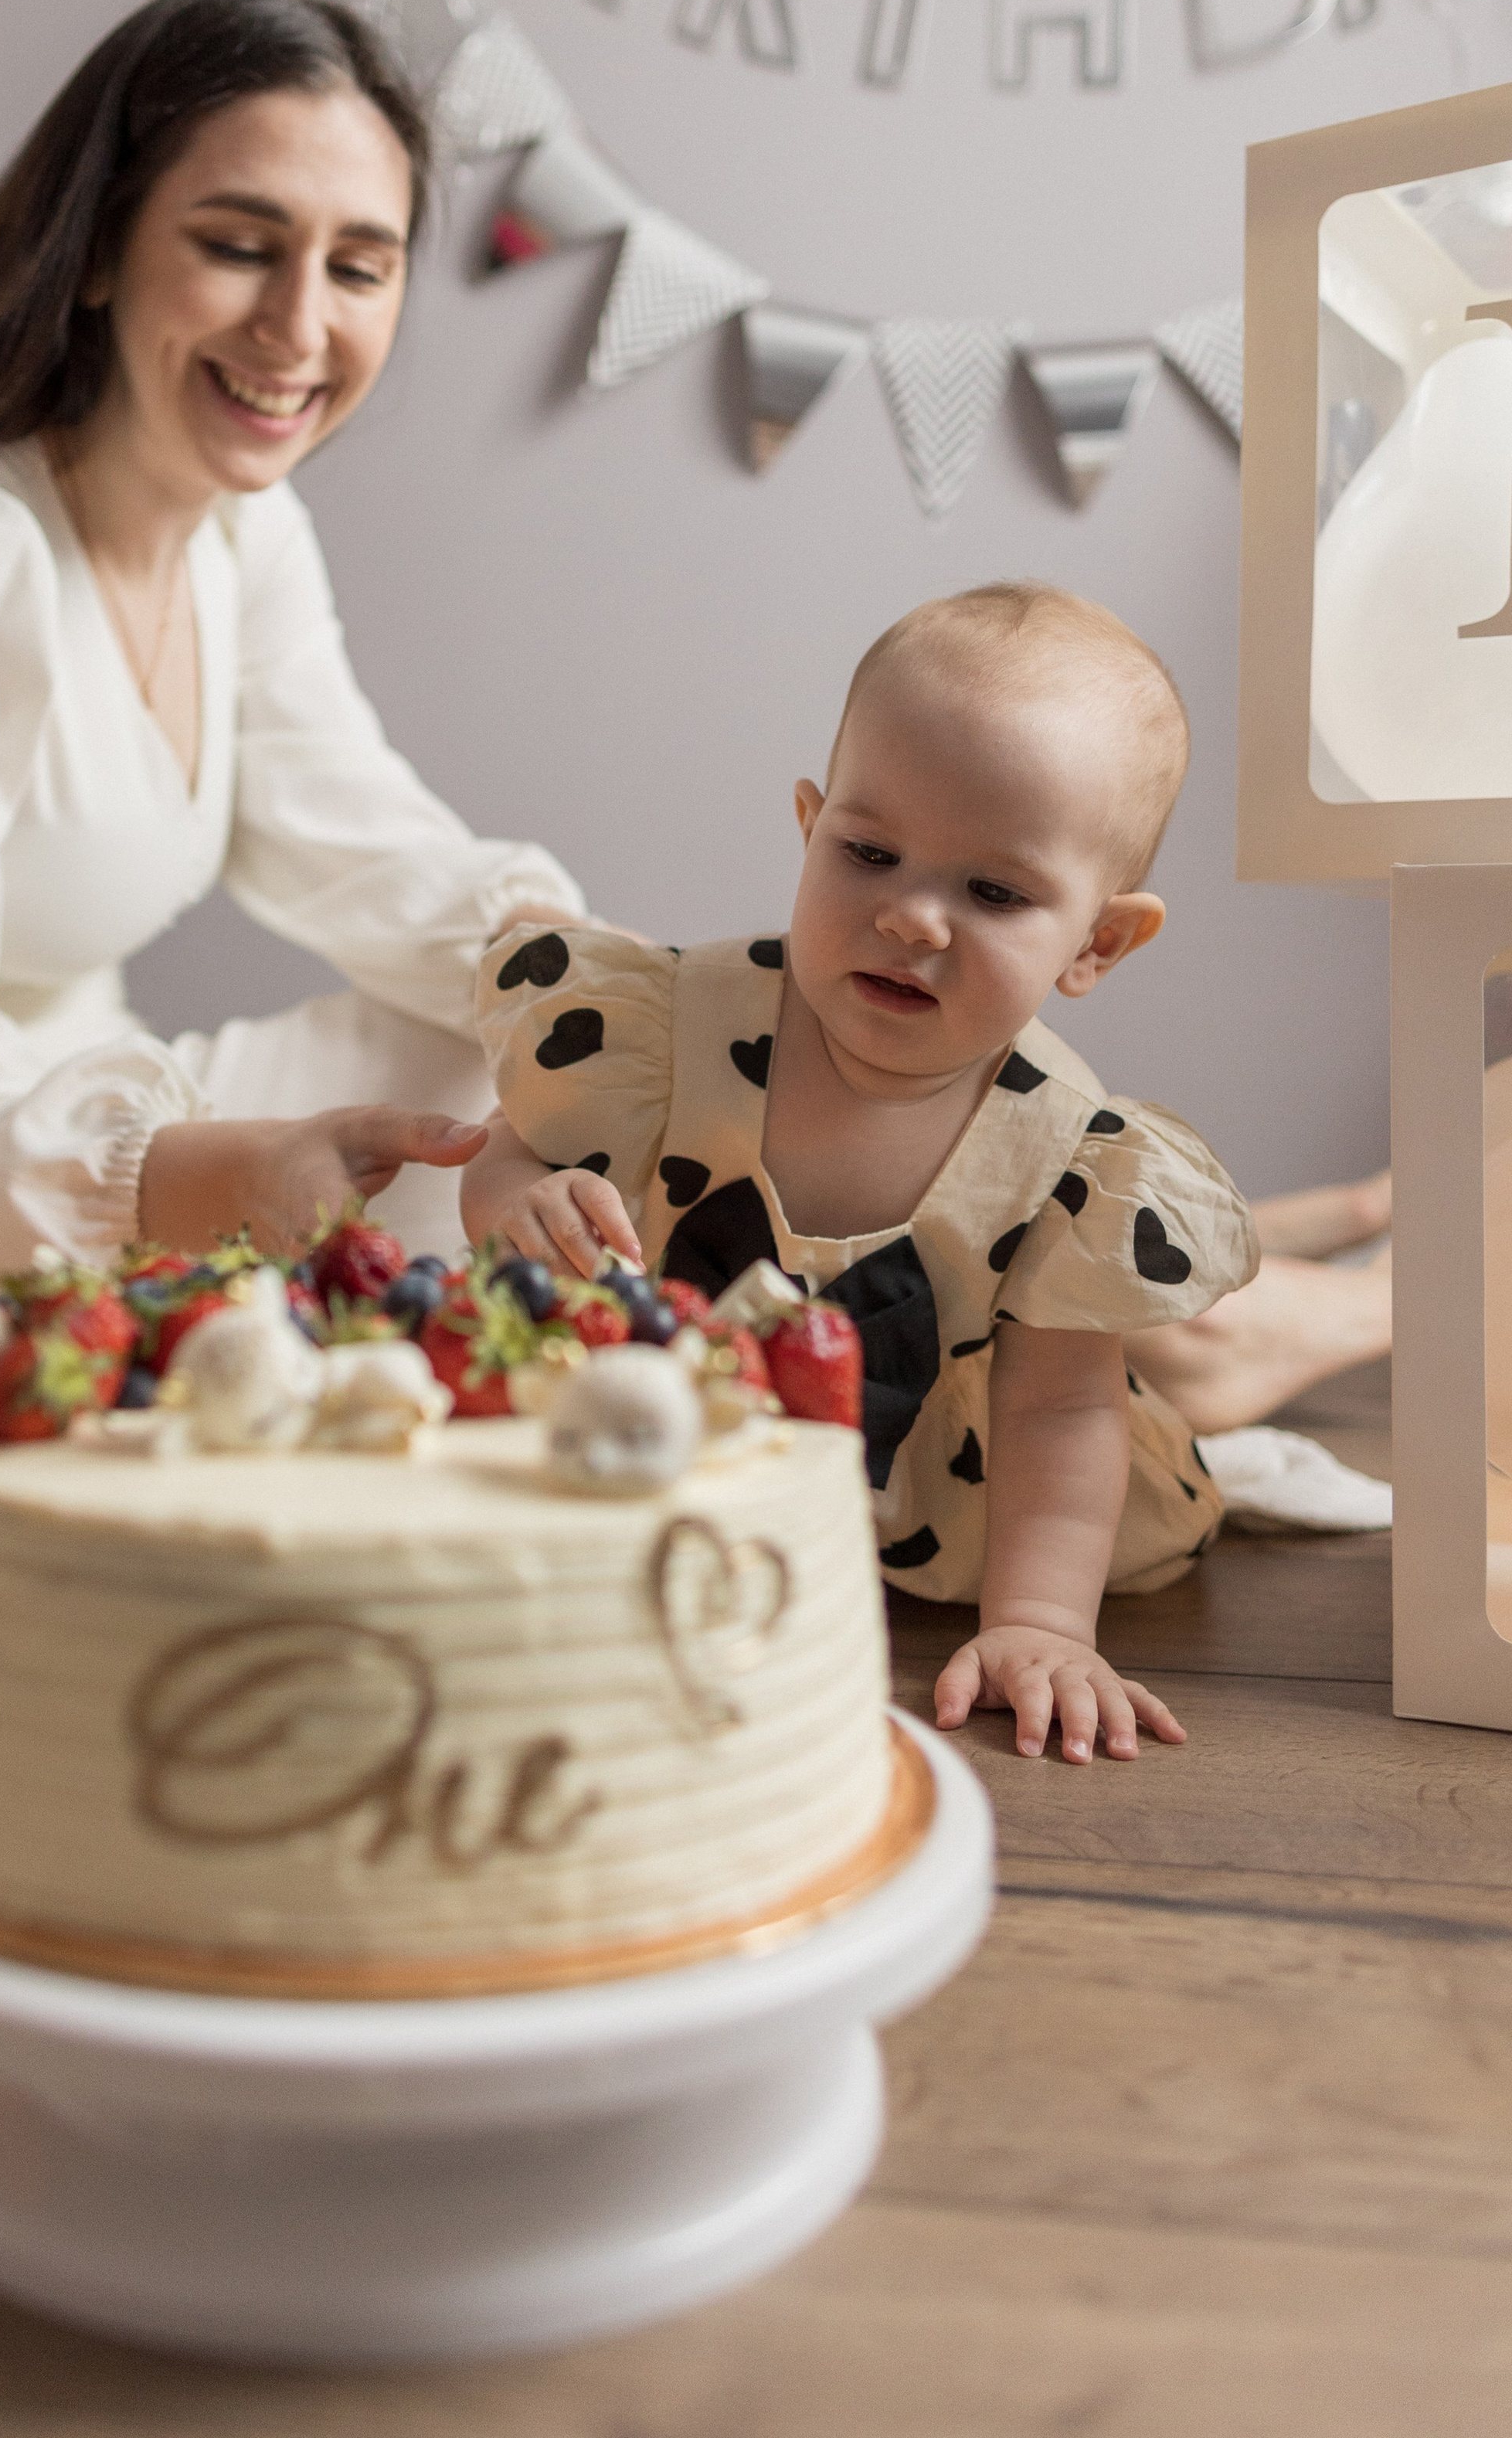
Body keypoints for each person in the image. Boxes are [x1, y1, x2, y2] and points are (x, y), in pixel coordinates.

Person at [0, 0, 586, 1471]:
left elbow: (375, 857)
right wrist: (199, 1172)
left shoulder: (250, 539)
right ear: (97, 249)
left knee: (493, 1055)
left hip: (93, 1129)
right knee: (340, 1292)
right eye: (236, 248)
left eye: (358, 267)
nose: (298, 326)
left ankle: (264, 1354)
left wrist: (604, 1011)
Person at [467, 583, 1262, 1767]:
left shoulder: (1070, 1155)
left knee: (1142, 1418)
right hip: (649, 1448)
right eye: (869, 851)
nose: (910, 916)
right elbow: (514, 1142)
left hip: (941, 1508)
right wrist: (512, 1197)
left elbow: (1057, 1405)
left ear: (1098, 940)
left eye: (992, 892)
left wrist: (1040, 1624)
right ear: (809, 823)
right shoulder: (665, 1025)